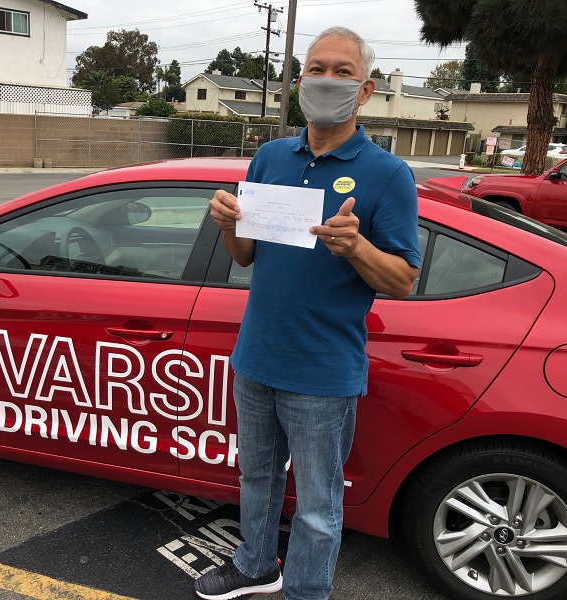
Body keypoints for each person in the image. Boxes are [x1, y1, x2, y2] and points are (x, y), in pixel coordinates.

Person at [194, 26, 421, 600]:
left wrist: (358, 247)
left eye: (342, 71)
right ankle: (253, 565)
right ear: (299, 83)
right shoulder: (270, 157)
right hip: (256, 357)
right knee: (256, 478)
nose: (326, 79)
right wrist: (228, 225)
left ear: (365, 91)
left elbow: (404, 279)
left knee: (319, 503)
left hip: (322, 371)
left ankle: (306, 592)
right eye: (316, 68)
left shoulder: (387, 173)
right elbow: (247, 256)